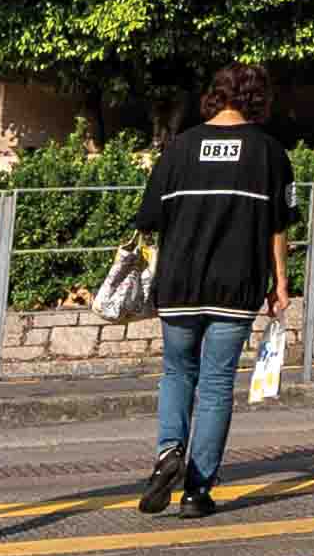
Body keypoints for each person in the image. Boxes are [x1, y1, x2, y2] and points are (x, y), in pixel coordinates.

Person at [123, 59, 287, 518]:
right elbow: (278, 227)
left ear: (214, 94)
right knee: (216, 384)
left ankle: (167, 452)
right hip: (237, 286)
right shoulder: (269, 153)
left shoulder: (179, 149)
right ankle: (197, 491)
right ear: (257, 97)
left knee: (177, 373)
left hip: (179, 283)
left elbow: (150, 219)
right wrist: (281, 284)